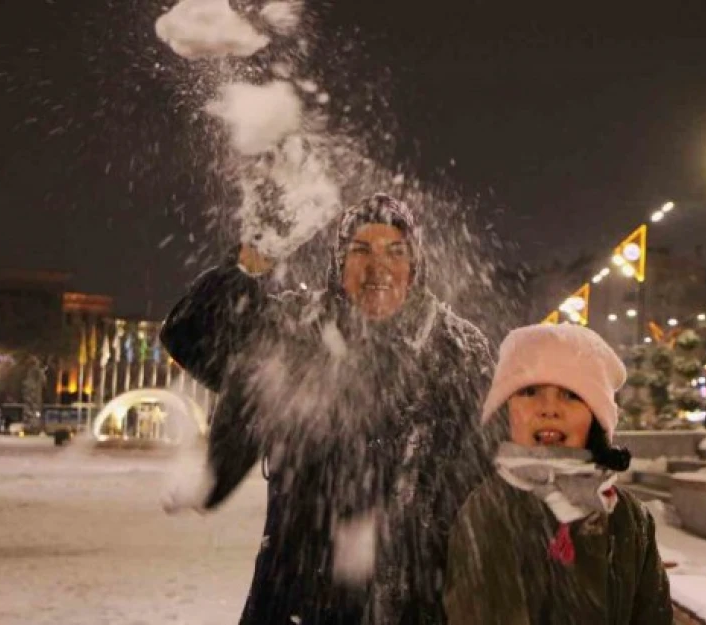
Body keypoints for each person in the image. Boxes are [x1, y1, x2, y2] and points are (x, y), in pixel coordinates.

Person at [161, 193, 493, 624]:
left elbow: (493, 468)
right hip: (299, 595)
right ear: (338, 263)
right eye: (361, 251)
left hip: (417, 600)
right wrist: (248, 264)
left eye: (396, 251)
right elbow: (190, 334)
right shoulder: (297, 330)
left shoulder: (457, 350)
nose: (378, 268)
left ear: (416, 265)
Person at [443, 324, 673, 625]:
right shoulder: (490, 511)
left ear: (596, 416)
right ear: (505, 410)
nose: (549, 409)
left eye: (571, 395)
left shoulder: (629, 517)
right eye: (529, 391)